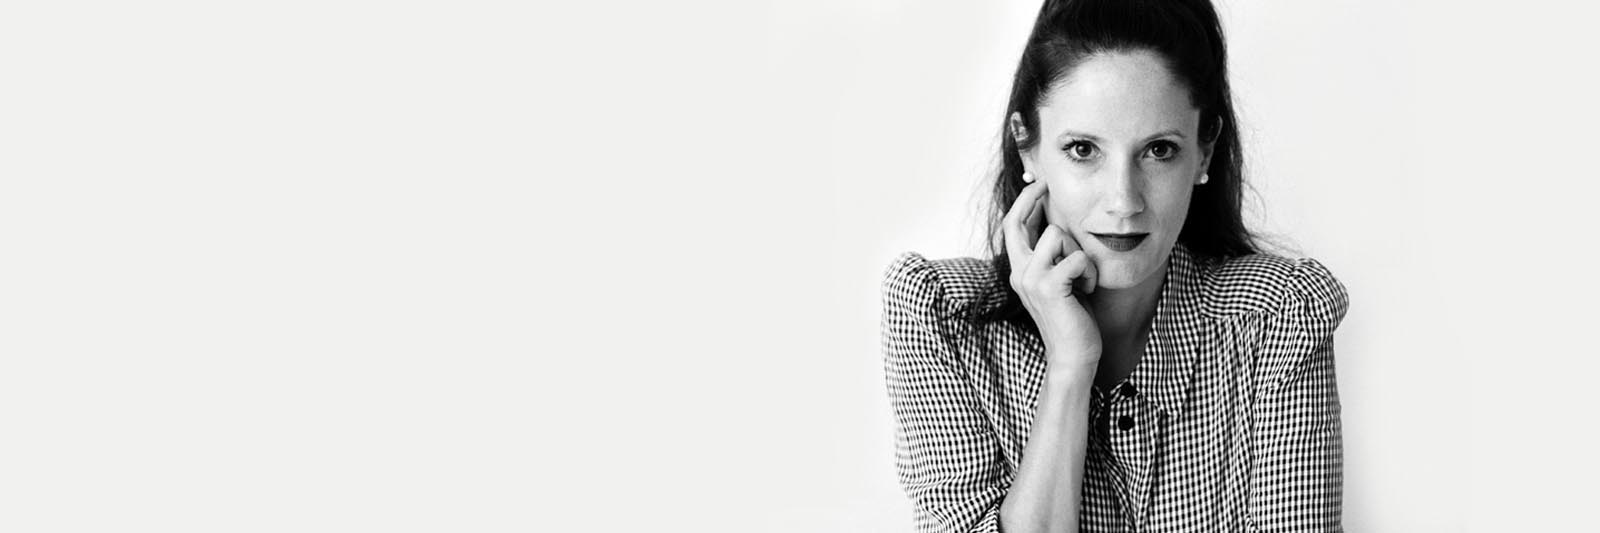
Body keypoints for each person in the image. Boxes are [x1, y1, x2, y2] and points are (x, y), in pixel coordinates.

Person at [879, 0, 1350, 531]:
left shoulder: (1279, 316)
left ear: (1203, 153)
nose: (1124, 201)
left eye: (1159, 150)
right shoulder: (942, 316)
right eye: (1083, 149)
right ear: (1027, 146)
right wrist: (1070, 367)